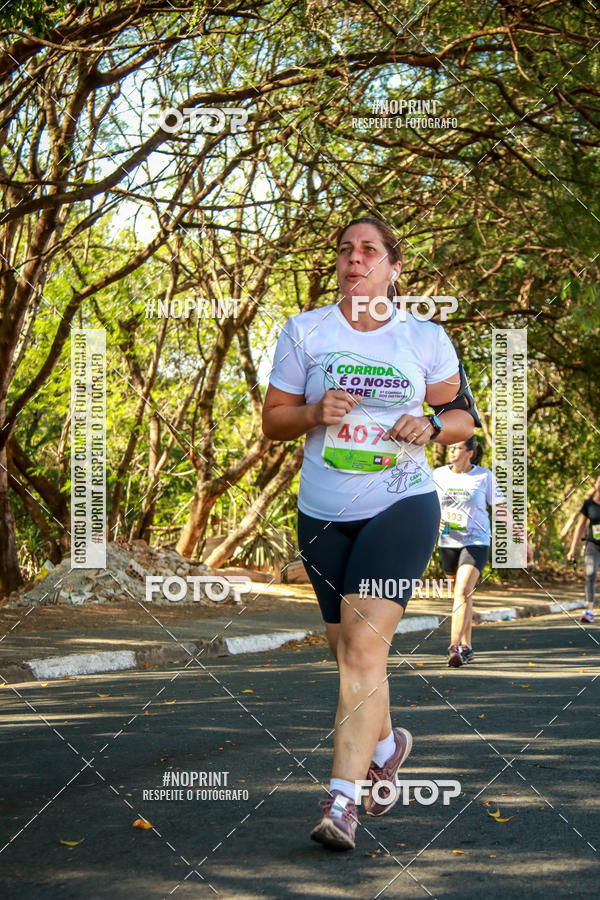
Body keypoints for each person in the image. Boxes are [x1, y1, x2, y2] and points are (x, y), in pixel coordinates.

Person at [262, 216, 476, 851]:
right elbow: (273, 423)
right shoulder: (305, 332)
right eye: (345, 250)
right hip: (323, 513)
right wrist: (310, 412)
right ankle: (387, 745)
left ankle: (344, 802)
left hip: (400, 505)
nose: (354, 259)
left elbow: (463, 416)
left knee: (362, 650)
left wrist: (433, 429)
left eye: (369, 250)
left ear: (393, 266)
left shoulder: (424, 337)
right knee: (347, 652)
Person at [433, 439, 533, 667]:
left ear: (469, 452)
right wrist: (435, 520)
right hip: (448, 542)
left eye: (457, 448)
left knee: (462, 590)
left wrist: (521, 539)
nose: (452, 451)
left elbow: (499, 509)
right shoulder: (438, 475)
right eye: (451, 447)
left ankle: (455, 647)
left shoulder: (484, 476)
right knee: (462, 596)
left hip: (475, 541)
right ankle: (467, 647)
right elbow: (429, 504)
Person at [567, 474, 600, 624]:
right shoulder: (589, 504)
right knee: (590, 574)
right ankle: (589, 611)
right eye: (599, 482)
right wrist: (572, 548)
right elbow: (580, 526)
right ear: (595, 484)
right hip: (592, 544)